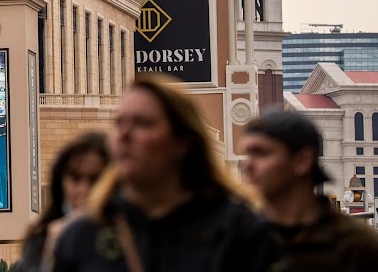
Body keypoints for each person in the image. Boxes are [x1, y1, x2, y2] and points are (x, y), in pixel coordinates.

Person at [52, 75, 282, 272]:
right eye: (119, 123)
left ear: (182, 141)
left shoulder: (239, 231)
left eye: (142, 123)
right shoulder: (82, 235)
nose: (123, 135)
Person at [242, 111, 378, 271]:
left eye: (261, 153)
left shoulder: (359, 247)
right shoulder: (238, 241)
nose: (247, 165)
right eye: (247, 154)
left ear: (303, 160)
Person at [18, 132, 110, 272]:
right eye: (75, 178)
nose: (83, 190)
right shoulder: (40, 241)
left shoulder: (129, 237)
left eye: (95, 179)